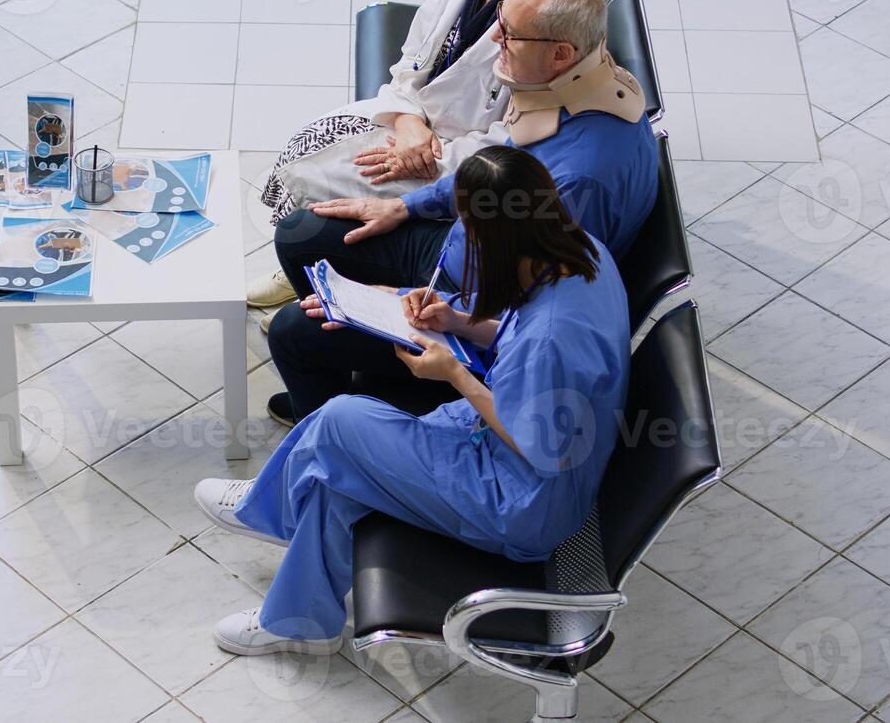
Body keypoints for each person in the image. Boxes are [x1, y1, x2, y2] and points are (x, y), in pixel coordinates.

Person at [193, 146, 632, 655]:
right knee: (341, 464)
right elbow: (519, 343)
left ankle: (271, 512)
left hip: (517, 503)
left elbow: (542, 448)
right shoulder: (581, 252)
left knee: (340, 423)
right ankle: (298, 613)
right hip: (498, 448)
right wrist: (456, 321)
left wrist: (454, 375)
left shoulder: (554, 338)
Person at [263, 0, 656, 426]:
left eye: (509, 33)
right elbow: (489, 176)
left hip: (474, 302)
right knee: (300, 234)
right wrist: (402, 207)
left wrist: (401, 302)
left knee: (294, 332)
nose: (494, 40)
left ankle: (344, 428)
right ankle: (346, 381)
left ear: (561, 53)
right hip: (465, 250)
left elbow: (527, 319)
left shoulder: (577, 182)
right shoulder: (569, 91)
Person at [247, 0, 552, 311]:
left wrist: (425, 155)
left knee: (327, 188)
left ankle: (325, 290)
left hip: (453, 163)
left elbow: (513, 141)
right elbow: (411, 61)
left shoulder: (543, 18)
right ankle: (305, 270)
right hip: (415, 124)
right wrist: (408, 123)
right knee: (301, 148)